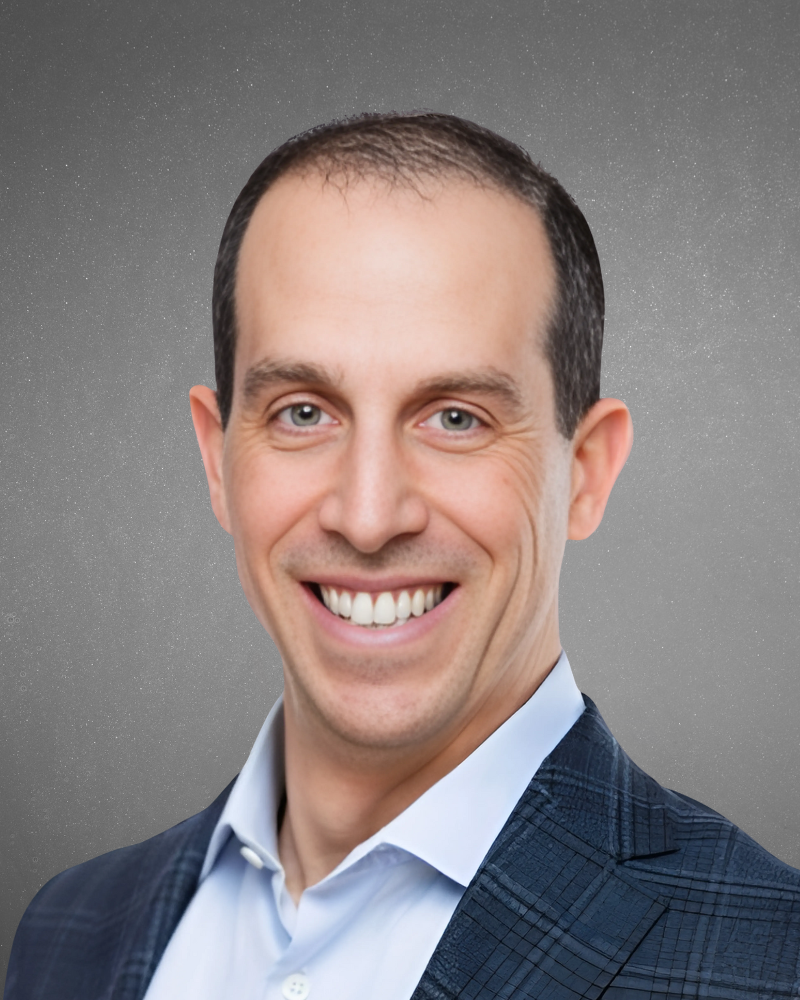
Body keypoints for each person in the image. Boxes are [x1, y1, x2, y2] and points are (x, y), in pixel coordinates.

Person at [6, 112, 800, 1000]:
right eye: (303, 412)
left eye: (455, 417)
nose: (370, 515)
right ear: (216, 459)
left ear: (585, 473)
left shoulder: (771, 963)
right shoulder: (67, 932)